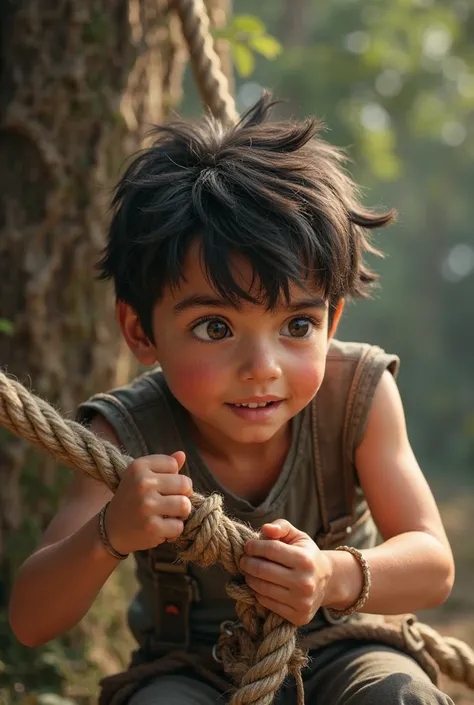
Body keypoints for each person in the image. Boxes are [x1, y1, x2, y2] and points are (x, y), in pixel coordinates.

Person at [9, 95, 455, 705]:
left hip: (348, 648)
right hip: (189, 672)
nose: (261, 370)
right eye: (215, 328)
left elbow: (434, 564)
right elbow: (31, 621)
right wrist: (110, 533)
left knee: (399, 694)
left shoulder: (362, 396)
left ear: (331, 321)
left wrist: (331, 576)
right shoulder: (128, 434)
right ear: (141, 332)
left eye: (298, 325)